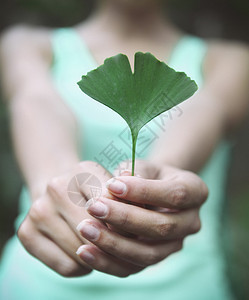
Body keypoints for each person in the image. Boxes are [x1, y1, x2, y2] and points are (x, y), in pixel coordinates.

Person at [0, 0, 248, 299]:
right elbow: (36, 100)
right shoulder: (27, 44)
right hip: (37, 284)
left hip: (183, 289)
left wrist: (159, 174)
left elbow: (205, 112)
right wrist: (53, 181)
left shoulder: (230, 59)